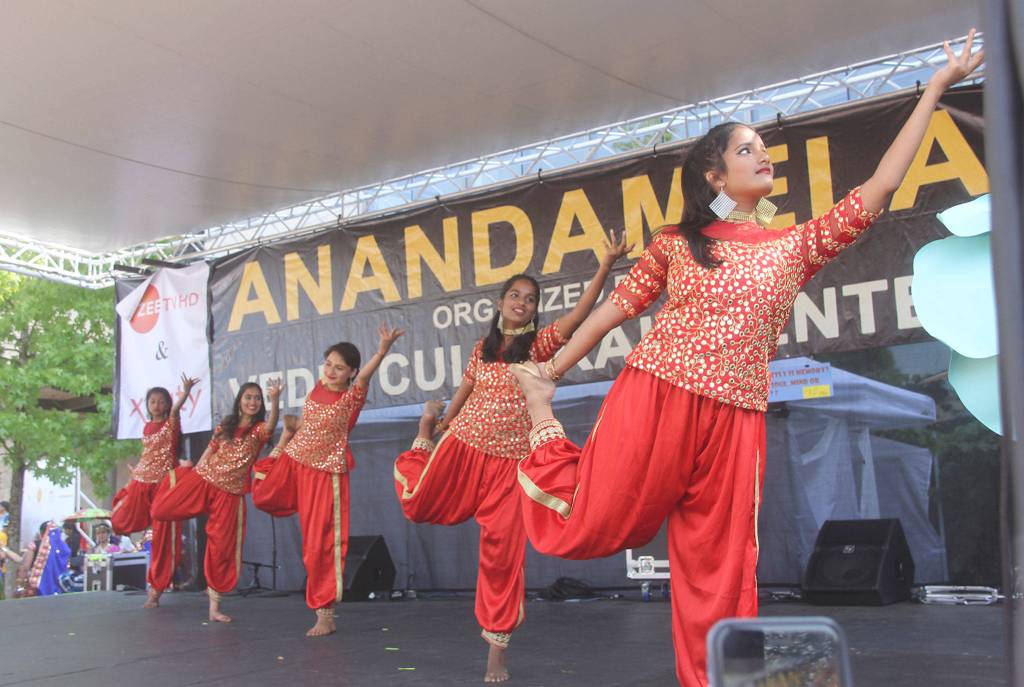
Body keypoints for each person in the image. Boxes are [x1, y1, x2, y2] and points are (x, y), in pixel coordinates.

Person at [508, 32, 985, 687]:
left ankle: (716, 681)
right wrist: (549, 378)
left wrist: (932, 90)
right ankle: (542, 427)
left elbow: (881, 186)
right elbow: (614, 311)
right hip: (659, 392)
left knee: (723, 567)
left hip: (738, 419)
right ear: (715, 175)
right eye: (746, 149)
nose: (763, 156)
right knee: (593, 524)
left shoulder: (792, 246)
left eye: (764, 148)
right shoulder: (678, 242)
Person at [393, 235, 629, 684]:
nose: (522, 302)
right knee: (417, 502)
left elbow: (580, 318)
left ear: (535, 309)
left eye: (530, 299)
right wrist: (440, 424)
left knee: (502, 555)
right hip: (463, 444)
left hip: (509, 465)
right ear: (500, 303)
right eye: (515, 295)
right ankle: (420, 434)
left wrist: (605, 266)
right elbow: (464, 391)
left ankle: (496, 650)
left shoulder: (539, 346)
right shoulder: (481, 350)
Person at [253, 325, 403, 637]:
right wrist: (283, 445)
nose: (332, 371)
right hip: (296, 462)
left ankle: (325, 612)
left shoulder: (351, 396)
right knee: (262, 493)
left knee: (318, 543)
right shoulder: (318, 385)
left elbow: (367, 377)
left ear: (351, 372)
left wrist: (382, 350)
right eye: (329, 364)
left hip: (325, 473)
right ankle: (323, 609)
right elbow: (304, 424)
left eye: (339, 367)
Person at [151, 380, 281, 622]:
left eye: (257, 398)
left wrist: (275, 400)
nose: (253, 402)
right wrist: (192, 476)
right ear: (240, 401)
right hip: (204, 478)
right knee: (160, 509)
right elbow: (209, 451)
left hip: (229, 493)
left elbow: (272, 424)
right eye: (248, 397)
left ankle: (214, 607)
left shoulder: (259, 429)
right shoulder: (225, 425)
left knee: (220, 547)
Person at [111, 373, 197, 608]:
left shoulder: (170, 423)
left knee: (163, 539)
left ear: (167, 404)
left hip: (163, 485)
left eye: (161, 401)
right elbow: (148, 454)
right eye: (152, 401)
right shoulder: (147, 426)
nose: (157, 405)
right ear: (147, 405)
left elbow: (176, 411)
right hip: (141, 480)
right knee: (118, 518)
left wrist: (185, 394)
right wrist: (135, 472)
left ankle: (156, 589)